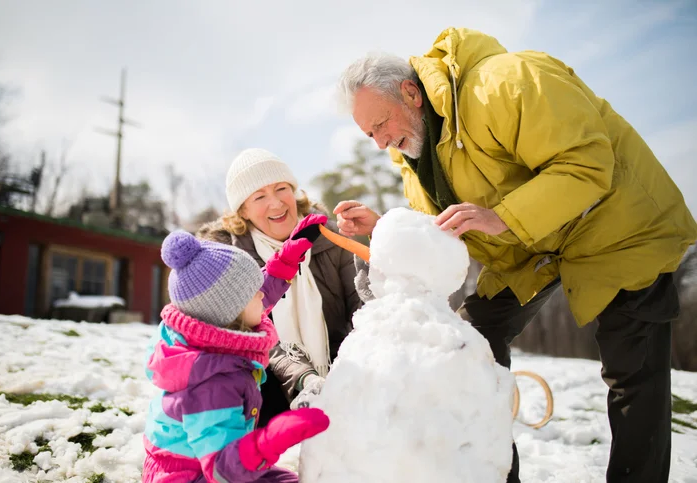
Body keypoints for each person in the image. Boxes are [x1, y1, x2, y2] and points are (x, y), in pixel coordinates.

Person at [334, 27, 697, 483]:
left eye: (380, 124)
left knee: (632, 372)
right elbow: (447, 227)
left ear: (411, 93)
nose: (380, 143)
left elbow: (586, 163)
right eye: (369, 134)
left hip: (618, 224)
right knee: (471, 339)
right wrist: (383, 226)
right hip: (533, 249)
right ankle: (493, 472)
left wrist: (501, 217)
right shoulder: (414, 158)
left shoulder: (504, 82)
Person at [142, 215, 330, 483]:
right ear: (232, 312)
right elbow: (222, 470)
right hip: (190, 476)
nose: (262, 294)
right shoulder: (211, 382)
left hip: (212, 460)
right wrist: (270, 440)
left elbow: (257, 293)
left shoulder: (215, 329)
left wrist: (287, 257)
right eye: (254, 293)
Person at [196, 148, 360, 423]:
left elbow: (361, 307)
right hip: (267, 388)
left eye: (281, 188)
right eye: (259, 196)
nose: (276, 204)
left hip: (342, 371)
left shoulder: (330, 238)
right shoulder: (229, 260)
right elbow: (249, 334)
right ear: (243, 211)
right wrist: (304, 377)